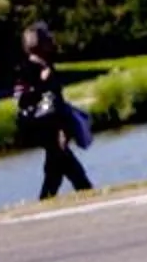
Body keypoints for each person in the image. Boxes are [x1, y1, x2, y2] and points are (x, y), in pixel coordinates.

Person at [16, 20, 93, 199]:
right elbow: (27, 101)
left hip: (53, 125)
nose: (52, 43)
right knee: (67, 167)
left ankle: (49, 198)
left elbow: (56, 101)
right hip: (45, 127)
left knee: (56, 168)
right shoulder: (29, 69)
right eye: (47, 40)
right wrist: (42, 85)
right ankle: (86, 192)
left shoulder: (47, 66)